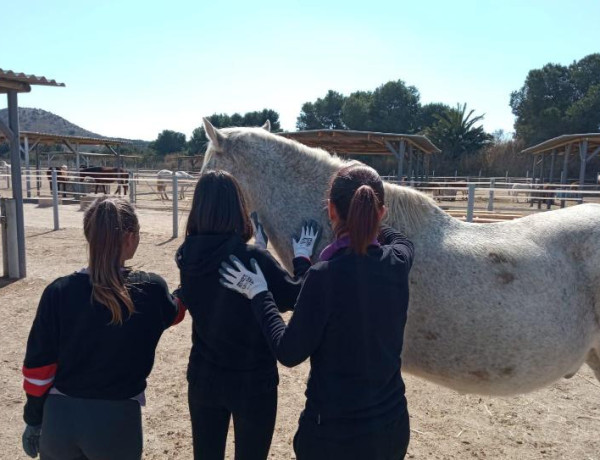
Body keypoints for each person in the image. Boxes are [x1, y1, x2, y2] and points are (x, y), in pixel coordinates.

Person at [220, 164, 414, 460]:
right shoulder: (398, 261)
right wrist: (370, 221)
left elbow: (288, 351)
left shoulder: (324, 276)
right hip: (391, 429)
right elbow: (402, 240)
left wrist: (259, 293)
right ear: (381, 212)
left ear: (331, 211)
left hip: (333, 437)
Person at [21, 197, 185, 460]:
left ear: (89, 235)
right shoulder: (151, 290)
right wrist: (186, 283)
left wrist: (33, 419)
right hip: (117, 421)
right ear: (130, 238)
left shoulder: (58, 292)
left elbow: (38, 369)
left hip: (60, 419)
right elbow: (175, 312)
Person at [175, 169, 320, 460]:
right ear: (236, 207)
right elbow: (296, 297)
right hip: (253, 382)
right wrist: (302, 258)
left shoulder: (187, 257)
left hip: (204, 377)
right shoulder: (254, 260)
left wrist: (259, 250)